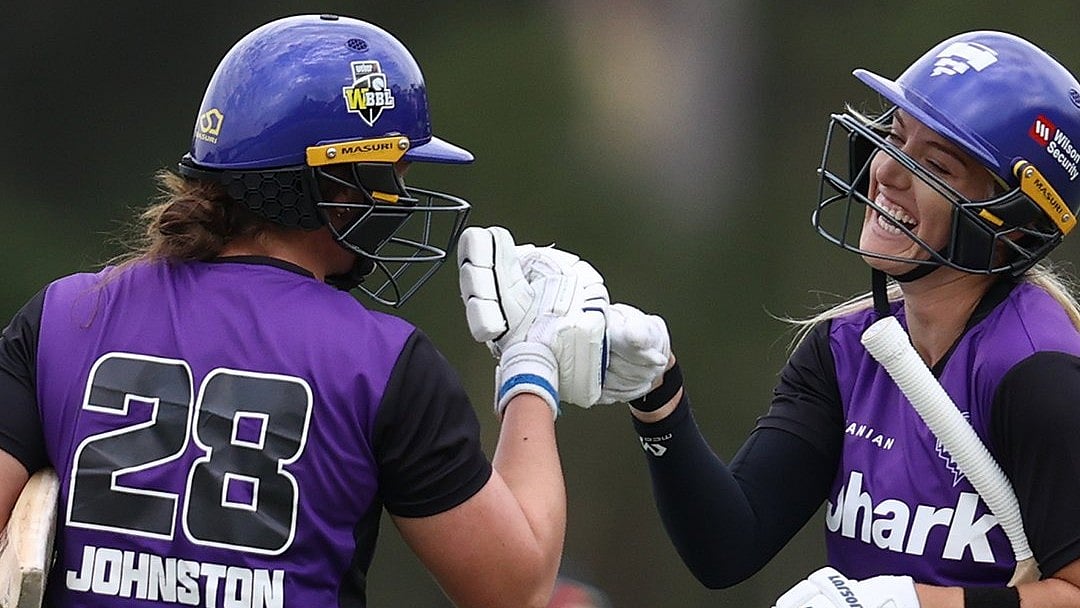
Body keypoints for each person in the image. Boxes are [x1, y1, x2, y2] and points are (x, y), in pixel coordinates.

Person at [0, 14, 609, 608]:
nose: (399, 198)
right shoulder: (384, 363)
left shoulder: (63, 315)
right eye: (391, 175)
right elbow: (515, 588)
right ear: (338, 187)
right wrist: (530, 370)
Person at [474, 30, 1080, 608]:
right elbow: (727, 547)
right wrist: (657, 392)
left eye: (937, 167)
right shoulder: (844, 351)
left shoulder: (1039, 375)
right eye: (895, 137)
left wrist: (911, 601)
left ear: (1014, 222)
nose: (889, 172)